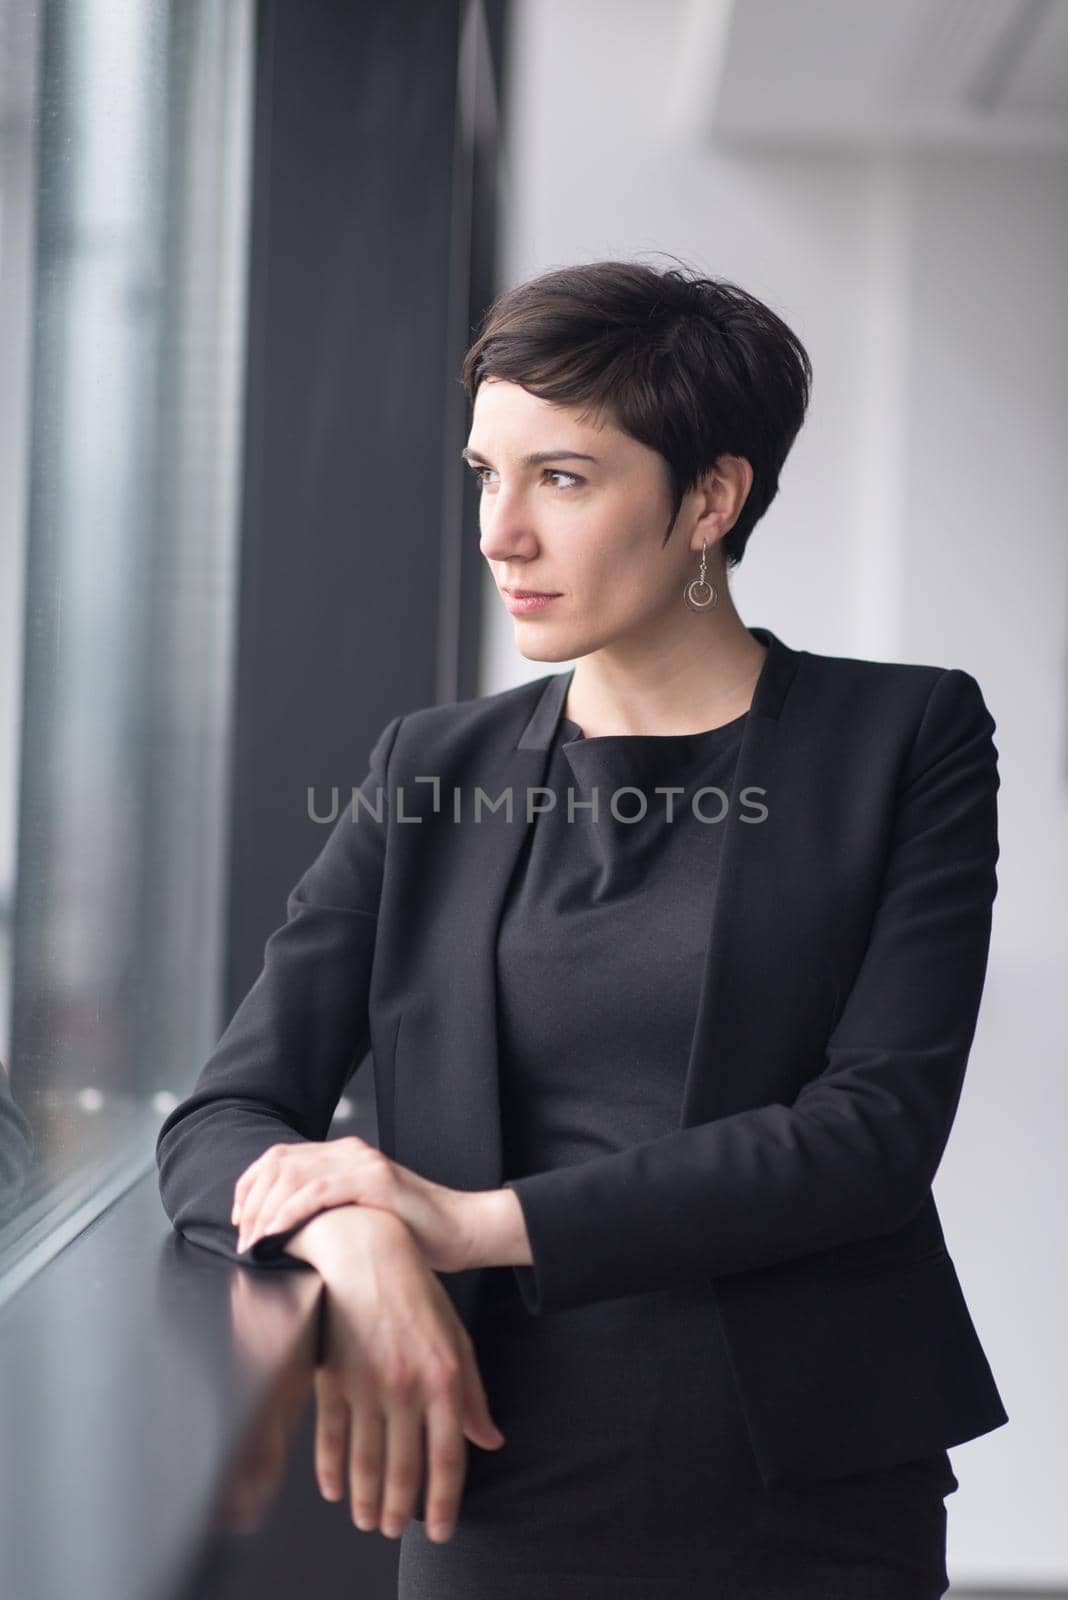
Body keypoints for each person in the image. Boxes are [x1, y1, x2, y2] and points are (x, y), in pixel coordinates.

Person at [156, 259, 1008, 1598]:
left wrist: (461, 1221)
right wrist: (360, 1237)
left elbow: (873, 1139)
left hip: (808, 1488)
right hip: (487, 1465)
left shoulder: (904, 737)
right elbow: (219, 1123)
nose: (501, 534)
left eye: (561, 478)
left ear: (711, 499)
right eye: (485, 475)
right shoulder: (427, 766)